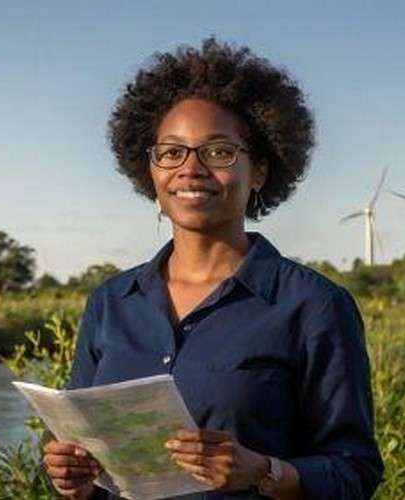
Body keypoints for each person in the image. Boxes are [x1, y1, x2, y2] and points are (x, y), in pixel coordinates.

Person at [43, 38, 383, 499]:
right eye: (171, 152)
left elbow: (354, 473)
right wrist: (72, 480)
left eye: (219, 152)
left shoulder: (314, 306)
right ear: (150, 171)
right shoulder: (109, 303)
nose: (191, 169)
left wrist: (263, 471)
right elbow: (85, 457)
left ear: (259, 170)